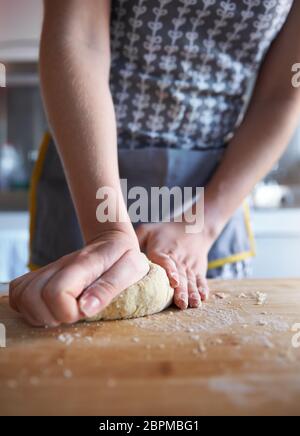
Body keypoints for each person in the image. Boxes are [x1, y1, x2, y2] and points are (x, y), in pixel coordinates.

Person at [9, 0, 300, 327]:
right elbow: (80, 36)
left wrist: (202, 225)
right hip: (89, 172)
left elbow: (283, 92)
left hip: (214, 189)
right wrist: (106, 230)